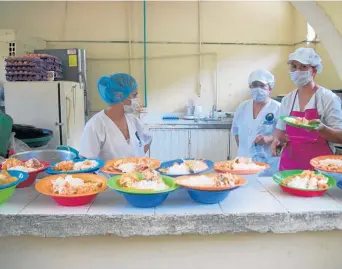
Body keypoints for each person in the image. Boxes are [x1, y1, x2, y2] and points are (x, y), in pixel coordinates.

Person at [270, 47, 342, 171]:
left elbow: (340, 137)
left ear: (313, 71)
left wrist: (323, 129)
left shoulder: (328, 98)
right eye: (294, 66)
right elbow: (280, 129)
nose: (297, 71)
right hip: (289, 167)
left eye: (303, 67)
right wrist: (277, 140)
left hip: (319, 169)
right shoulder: (288, 99)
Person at [79, 73, 152, 161]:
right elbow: (87, 163)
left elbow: (148, 139)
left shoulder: (134, 121)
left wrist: (138, 162)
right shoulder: (95, 125)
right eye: (134, 95)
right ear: (119, 96)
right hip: (106, 175)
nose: (137, 100)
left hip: (134, 174)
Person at [232, 69, 281, 176]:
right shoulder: (243, 107)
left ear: (270, 88)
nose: (257, 89)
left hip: (268, 164)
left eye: (262, 85)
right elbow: (236, 132)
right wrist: (245, 152)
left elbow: (284, 136)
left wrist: (268, 139)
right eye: (254, 85)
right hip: (243, 164)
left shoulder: (278, 108)